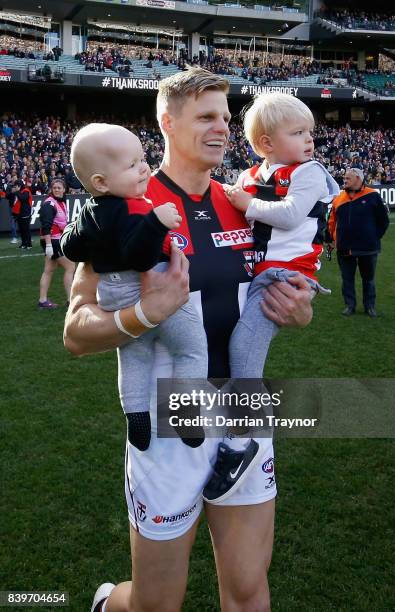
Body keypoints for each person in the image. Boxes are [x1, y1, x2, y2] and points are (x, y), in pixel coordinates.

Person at [63, 68, 313, 612]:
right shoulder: (129, 206)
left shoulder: (246, 201)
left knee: (248, 591)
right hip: (169, 418)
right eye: (205, 116)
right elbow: (76, 332)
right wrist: (143, 313)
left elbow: (283, 289)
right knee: (157, 603)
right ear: (166, 122)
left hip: (246, 412)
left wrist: (297, 309)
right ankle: (111, 604)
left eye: (225, 116)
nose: (221, 127)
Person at [203, 92, 339, 503]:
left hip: (284, 275)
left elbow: (292, 215)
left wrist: (248, 202)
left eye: (310, 131)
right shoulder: (251, 175)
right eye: (298, 132)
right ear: (265, 144)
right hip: (257, 273)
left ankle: (242, 439)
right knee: (236, 347)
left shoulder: (309, 171)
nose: (310, 140)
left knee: (244, 350)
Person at [61, 123, 207, 450]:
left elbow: (71, 248)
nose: (144, 168)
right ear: (101, 181)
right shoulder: (135, 207)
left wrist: (82, 228)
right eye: (132, 164)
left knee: (133, 357)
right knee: (192, 348)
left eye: (143, 158)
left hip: (112, 296)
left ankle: (137, 417)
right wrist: (155, 222)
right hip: (150, 290)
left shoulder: (91, 210)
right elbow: (139, 258)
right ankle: (186, 413)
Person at [327, 167, 389, 317]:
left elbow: (383, 221)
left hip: (368, 248)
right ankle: (350, 305)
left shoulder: (373, 195)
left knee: (368, 280)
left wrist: (374, 237)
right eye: (345, 178)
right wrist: (331, 239)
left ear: (358, 179)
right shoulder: (339, 198)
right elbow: (332, 221)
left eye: (348, 178)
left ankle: (370, 306)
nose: (344, 180)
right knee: (347, 279)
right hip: (344, 247)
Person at [38, 179, 75, 309]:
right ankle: (70, 300)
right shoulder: (50, 204)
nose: (57, 190)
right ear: (51, 189)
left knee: (48, 270)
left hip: (54, 240)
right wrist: (48, 245)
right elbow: (46, 226)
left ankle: (42, 301)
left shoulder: (60, 203)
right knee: (70, 267)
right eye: (55, 188)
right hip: (52, 241)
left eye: (59, 188)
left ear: (64, 189)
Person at [11, 179, 32, 249]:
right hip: (20, 213)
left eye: (16, 186)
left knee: (26, 229)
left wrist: (17, 192)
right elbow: (8, 195)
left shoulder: (26, 191)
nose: (15, 187)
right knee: (21, 230)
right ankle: (23, 243)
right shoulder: (20, 191)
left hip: (26, 213)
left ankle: (29, 244)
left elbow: (23, 199)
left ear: (19, 186)